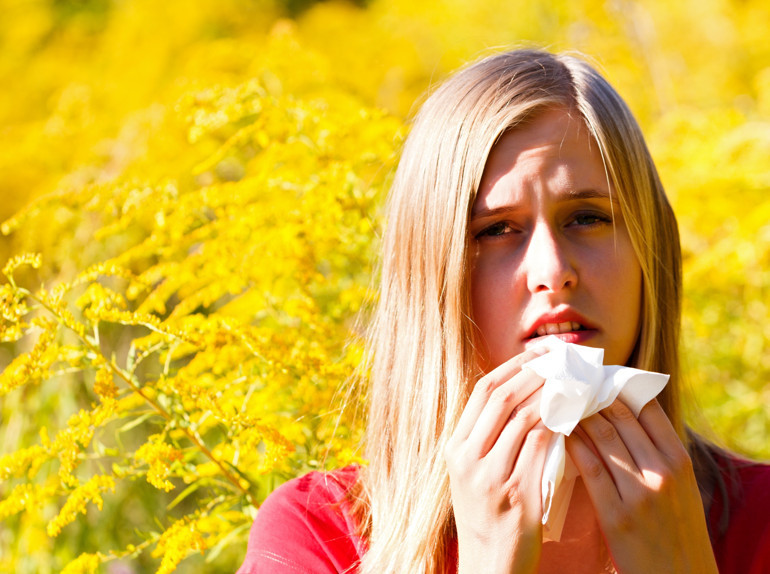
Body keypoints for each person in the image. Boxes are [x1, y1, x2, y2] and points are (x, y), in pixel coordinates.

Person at [237, 49, 770, 573]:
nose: (553, 269)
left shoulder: (759, 520)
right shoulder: (320, 538)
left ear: (649, 253)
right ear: (432, 278)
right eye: (495, 230)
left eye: (587, 217)